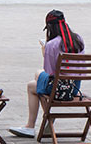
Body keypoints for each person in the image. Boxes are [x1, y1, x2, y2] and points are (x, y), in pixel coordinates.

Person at [8, 9, 85, 139]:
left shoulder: (52, 45)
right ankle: (44, 120)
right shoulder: (78, 39)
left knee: (32, 85)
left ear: (50, 27)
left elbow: (50, 72)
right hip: (75, 87)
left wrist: (45, 52)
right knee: (38, 77)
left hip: (60, 89)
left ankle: (36, 123)